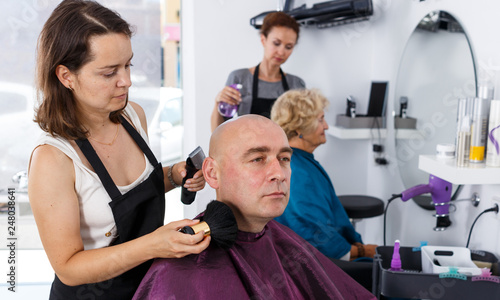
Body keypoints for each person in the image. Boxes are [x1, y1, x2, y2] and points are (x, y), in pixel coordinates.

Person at [28, 0, 210, 299]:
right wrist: (154, 245)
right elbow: (68, 268)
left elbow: (132, 190)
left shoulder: (133, 116)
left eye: (128, 65)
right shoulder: (53, 158)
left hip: (147, 285)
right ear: (66, 76)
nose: (126, 81)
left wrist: (175, 175)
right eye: (109, 72)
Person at [133, 115, 376, 299]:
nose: (278, 174)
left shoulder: (284, 242)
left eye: (284, 159)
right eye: (257, 159)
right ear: (211, 172)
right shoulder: (175, 272)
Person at [271, 89, 377, 261]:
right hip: (325, 262)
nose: (326, 126)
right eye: (320, 120)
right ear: (300, 128)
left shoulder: (299, 161)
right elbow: (312, 233)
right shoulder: (298, 171)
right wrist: (362, 251)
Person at [210, 11, 306, 131]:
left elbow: (302, 132)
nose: (281, 52)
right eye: (276, 43)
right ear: (263, 40)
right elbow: (218, 131)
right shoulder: (239, 78)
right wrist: (217, 103)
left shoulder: (296, 84)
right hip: (246, 148)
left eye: (288, 47)